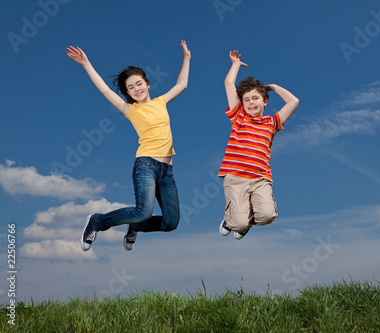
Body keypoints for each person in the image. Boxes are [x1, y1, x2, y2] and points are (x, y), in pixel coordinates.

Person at [66, 41, 191, 251]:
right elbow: (106, 91)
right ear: (128, 93)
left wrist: (186, 58)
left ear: (147, 83)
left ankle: (135, 226)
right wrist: (86, 63)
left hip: (167, 172)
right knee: (144, 211)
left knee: (171, 223)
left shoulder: (160, 102)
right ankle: (96, 221)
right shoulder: (130, 110)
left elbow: (182, 84)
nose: (136, 89)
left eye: (138, 83)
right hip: (146, 166)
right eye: (130, 88)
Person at [218, 50, 299, 240]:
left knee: (268, 216)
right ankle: (232, 221)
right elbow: (229, 83)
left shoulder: (272, 123)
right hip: (236, 178)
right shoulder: (239, 116)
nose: (250, 103)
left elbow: (293, 101)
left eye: (255, 98)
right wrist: (235, 65)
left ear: (265, 101)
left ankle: (243, 222)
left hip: (260, 178)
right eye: (246, 100)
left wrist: (273, 86)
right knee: (238, 223)